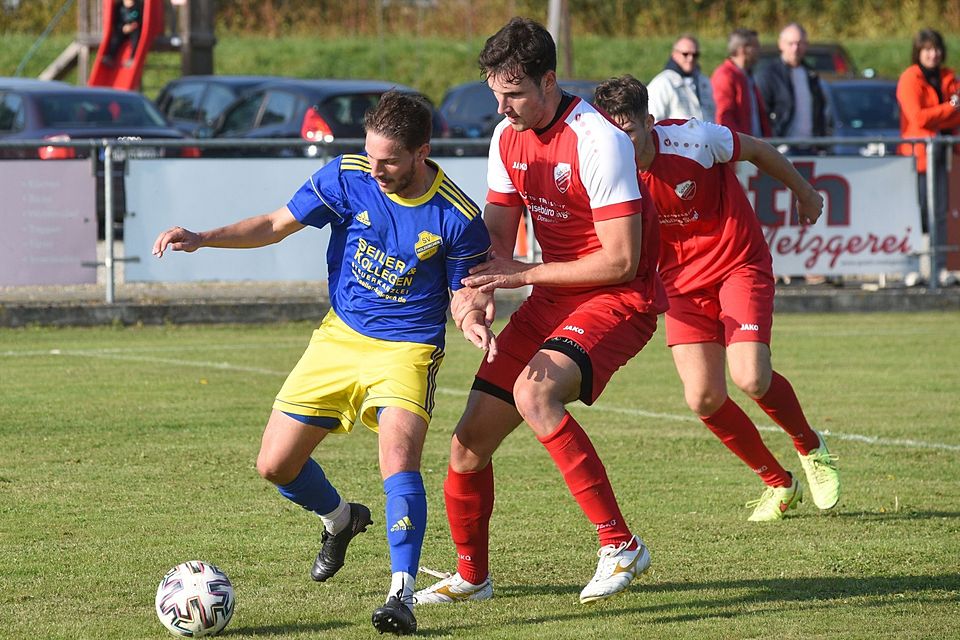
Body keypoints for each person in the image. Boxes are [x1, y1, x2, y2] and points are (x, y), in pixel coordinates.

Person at [152, 90, 494, 636]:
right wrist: (202, 238)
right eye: (371, 155)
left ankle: (400, 595)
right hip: (338, 339)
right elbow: (274, 223)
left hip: (406, 349)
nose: (376, 169)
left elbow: (467, 291)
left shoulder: (458, 215)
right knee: (275, 465)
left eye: (389, 161)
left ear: (421, 152)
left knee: (398, 459)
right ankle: (340, 519)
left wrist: (473, 318)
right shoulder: (347, 176)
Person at [415, 17, 668, 607]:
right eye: (495, 94)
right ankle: (472, 577)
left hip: (619, 300)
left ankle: (620, 545)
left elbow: (622, 261)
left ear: (549, 80)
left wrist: (521, 275)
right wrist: (476, 303)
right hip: (551, 297)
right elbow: (496, 248)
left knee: (535, 393)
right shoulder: (505, 140)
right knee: (467, 443)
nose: (503, 108)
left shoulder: (598, 138)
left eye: (514, 93)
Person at [593, 75, 840, 522]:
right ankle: (780, 483)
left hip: (737, 266)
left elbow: (760, 150)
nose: (621, 144)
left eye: (628, 132)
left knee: (750, 377)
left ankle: (811, 447)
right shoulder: (605, 169)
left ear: (649, 122)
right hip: (681, 287)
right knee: (703, 398)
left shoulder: (694, 139)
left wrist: (804, 193)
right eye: (613, 135)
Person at [896, 28, 960, 287]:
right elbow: (918, 117)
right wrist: (950, 108)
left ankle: (939, 268)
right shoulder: (910, 78)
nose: (932, 54)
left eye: (935, 49)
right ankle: (915, 268)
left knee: (941, 213)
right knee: (919, 213)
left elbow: (957, 115)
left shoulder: (948, 76)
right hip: (917, 158)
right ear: (918, 52)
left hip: (943, 155)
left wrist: (945, 112)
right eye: (927, 49)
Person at [755, 23, 828, 154]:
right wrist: (772, 143)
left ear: (806, 45)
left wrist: (821, 144)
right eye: (791, 43)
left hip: (810, 147)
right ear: (781, 44)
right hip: (782, 149)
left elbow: (819, 110)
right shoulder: (768, 74)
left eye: (799, 43)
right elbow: (761, 112)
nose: (795, 48)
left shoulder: (811, 74)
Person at [711, 28, 771, 137]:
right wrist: (739, 145)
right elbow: (724, 116)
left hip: (753, 146)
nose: (759, 50)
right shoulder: (725, 75)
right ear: (742, 49)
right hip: (741, 148)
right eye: (755, 46)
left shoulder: (747, 75)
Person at [647, 34, 716, 122]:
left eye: (695, 55)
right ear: (674, 54)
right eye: (685, 54)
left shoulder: (704, 82)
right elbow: (653, 122)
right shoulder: (662, 83)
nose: (690, 58)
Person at [104, 0, 143, 67]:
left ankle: (132, 58)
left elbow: (140, 20)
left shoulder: (138, 5)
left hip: (133, 29)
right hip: (122, 28)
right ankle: (110, 57)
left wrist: (131, 26)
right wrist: (122, 27)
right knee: (116, 38)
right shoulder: (119, 6)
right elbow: (116, 21)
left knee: (136, 37)